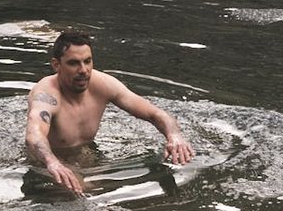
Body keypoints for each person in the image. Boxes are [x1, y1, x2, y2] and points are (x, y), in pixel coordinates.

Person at [23, 30, 194, 193]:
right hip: (48, 161)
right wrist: (52, 162)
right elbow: (34, 134)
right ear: (56, 65)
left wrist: (175, 136)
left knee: (156, 171)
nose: (83, 70)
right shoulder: (46, 95)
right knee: (84, 192)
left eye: (87, 61)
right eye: (73, 63)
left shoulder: (103, 85)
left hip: (86, 154)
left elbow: (155, 113)